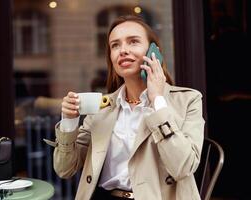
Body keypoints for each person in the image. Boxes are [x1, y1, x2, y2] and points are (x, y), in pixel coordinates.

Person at [50, 15, 205, 200]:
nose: (123, 50)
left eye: (133, 42)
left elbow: (183, 167)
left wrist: (157, 101)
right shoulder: (102, 108)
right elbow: (64, 169)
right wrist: (69, 121)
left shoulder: (188, 100)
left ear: (153, 52)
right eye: (115, 45)